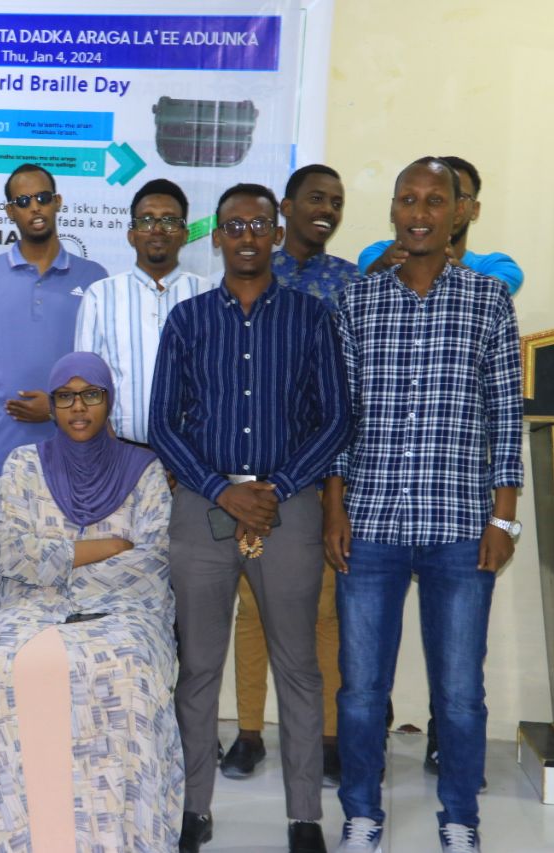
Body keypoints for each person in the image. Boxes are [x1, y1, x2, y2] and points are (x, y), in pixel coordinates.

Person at [325, 157, 522, 853]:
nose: (418, 210)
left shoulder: (489, 300)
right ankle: (361, 813)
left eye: (434, 199)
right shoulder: (356, 300)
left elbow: (505, 415)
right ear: (393, 213)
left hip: (461, 529)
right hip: (371, 521)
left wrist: (503, 518)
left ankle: (460, 816)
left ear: (458, 212)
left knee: (461, 692)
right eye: (407, 198)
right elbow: (340, 419)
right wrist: (335, 507)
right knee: (359, 691)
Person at [150, 184, 351, 853]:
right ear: (218, 237)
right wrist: (221, 489)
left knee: (298, 664)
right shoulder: (188, 320)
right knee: (200, 665)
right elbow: (162, 423)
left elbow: (336, 419)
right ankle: (194, 808)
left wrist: (281, 486)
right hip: (203, 507)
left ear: (274, 231)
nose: (245, 236)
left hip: (287, 507)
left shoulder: (309, 317)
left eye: (258, 224)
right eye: (233, 225)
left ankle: (303, 817)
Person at [0, 352, 182, 851]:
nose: (78, 407)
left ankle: (120, 837)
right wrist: (104, 547)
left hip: (126, 612)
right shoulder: (24, 464)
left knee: (128, 672)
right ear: (53, 404)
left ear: (109, 400)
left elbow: (151, 560)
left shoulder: (144, 469)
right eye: (65, 396)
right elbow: (10, 554)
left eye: (91, 395)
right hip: (28, 608)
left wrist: (58, 569)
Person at [224, 165, 356, 785]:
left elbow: (348, 395)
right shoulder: (250, 281)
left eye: (336, 201)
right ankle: (249, 733)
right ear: (284, 212)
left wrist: (335, 491)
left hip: (317, 480)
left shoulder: (349, 285)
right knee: (251, 611)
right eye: (314, 199)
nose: (324, 210)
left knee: (322, 614)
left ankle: (328, 739)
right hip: (249, 480)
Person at [0, 163, 109, 496]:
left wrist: (54, 409)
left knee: (67, 547)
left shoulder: (94, 277)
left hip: (72, 450)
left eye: (42, 197)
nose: (34, 207)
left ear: (58, 202)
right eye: (23, 202)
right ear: (10, 211)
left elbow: (103, 372)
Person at [74, 177, 213, 445]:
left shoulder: (207, 295)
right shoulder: (100, 296)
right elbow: (85, 384)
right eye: (147, 220)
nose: (157, 229)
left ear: (185, 234)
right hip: (119, 453)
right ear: (131, 234)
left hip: (195, 458)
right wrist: (117, 456)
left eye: (170, 221)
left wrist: (188, 463)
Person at [357, 155, 523, 295]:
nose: (422, 212)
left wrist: (458, 274)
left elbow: (494, 295)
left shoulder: (499, 266)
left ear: (473, 209)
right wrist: (385, 264)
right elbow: (366, 286)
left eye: (462, 197)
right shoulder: (380, 253)